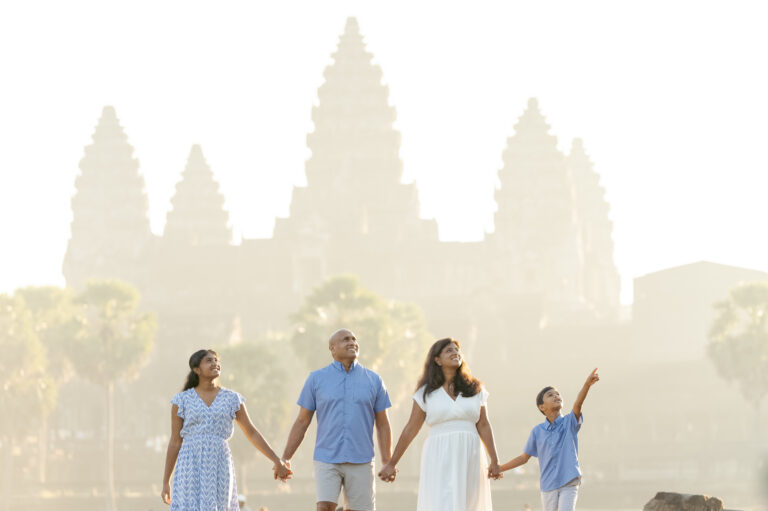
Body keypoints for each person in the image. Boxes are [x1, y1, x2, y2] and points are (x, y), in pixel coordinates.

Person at [378, 338, 502, 511]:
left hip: (470, 452)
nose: (455, 353)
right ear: (437, 360)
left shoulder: (475, 389)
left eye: (457, 350)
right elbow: (411, 429)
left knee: (470, 502)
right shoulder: (425, 393)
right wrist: (392, 463)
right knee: (443, 501)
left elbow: (484, 425)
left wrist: (494, 460)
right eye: (449, 351)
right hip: (439, 452)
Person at [161, 349, 292, 509]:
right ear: (196, 370)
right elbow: (175, 442)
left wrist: (276, 460)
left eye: (216, 360)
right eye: (209, 361)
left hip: (219, 462)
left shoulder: (232, 399)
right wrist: (166, 481)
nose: (215, 363)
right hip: (189, 464)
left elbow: (251, 433)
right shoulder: (181, 400)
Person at [281, 328, 393, 511]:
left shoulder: (374, 380)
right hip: (327, 458)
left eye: (354, 339)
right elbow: (302, 421)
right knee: (324, 507)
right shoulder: (316, 379)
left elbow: (383, 424)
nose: (351, 342)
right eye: (345, 340)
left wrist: (387, 461)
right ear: (332, 349)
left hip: (362, 459)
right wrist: (286, 457)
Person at [500, 368, 600, 511]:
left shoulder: (569, 422)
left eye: (558, 394)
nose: (556, 396)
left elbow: (578, 404)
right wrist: (500, 468)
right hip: (548, 486)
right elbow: (523, 458)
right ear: (542, 407)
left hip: (569, 482)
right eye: (550, 395)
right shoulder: (537, 431)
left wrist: (587, 385)